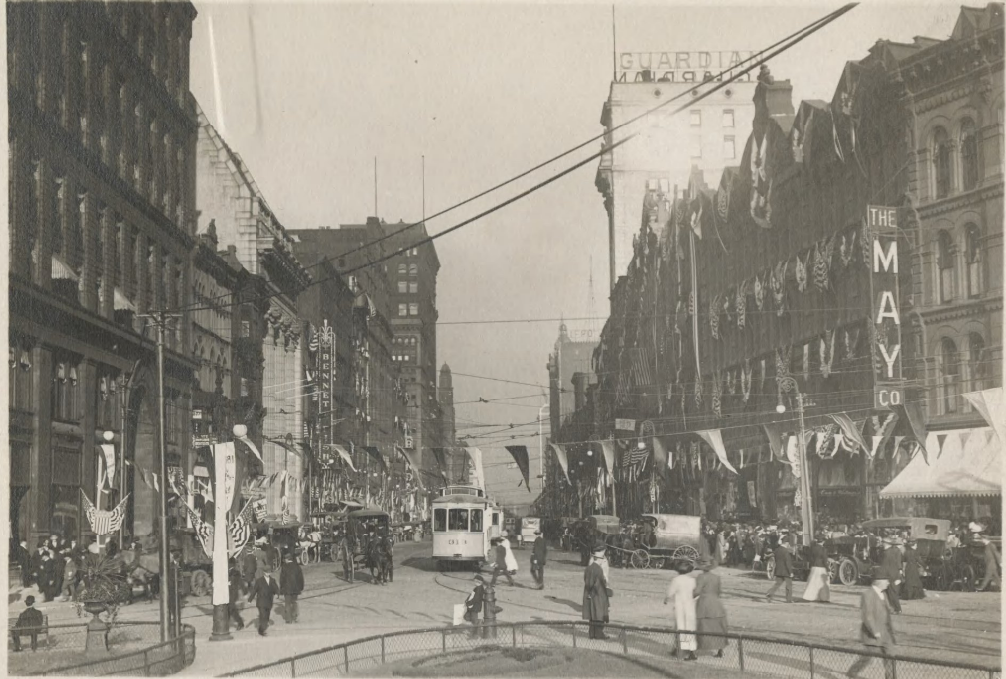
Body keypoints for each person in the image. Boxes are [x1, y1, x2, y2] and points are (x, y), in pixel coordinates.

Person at [846, 576, 896, 679]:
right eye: (886, 580)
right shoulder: (867, 594)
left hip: (886, 633)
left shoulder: (884, 594)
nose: (888, 583)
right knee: (867, 658)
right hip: (873, 634)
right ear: (879, 581)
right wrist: (874, 631)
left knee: (890, 658)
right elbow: (867, 616)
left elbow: (885, 611)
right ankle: (852, 672)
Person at [663, 562, 697, 661]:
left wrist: (666, 599)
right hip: (690, 607)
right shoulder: (692, 580)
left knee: (679, 628)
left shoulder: (676, 580)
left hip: (680, 607)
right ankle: (691, 652)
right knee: (690, 629)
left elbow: (670, 592)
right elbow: (696, 593)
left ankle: (679, 650)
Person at [695, 558, 728, 658]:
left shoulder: (701, 577)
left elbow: (697, 591)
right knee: (718, 626)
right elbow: (719, 592)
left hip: (704, 603)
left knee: (700, 625)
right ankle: (720, 650)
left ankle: (695, 649)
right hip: (716, 603)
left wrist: (689, 596)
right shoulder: (717, 577)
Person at [582, 543, 612, 639]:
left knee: (592, 614)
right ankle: (599, 634)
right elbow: (599, 584)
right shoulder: (599, 569)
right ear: (599, 559)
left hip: (589, 593)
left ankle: (592, 633)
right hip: (598, 594)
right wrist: (608, 591)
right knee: (600, 614)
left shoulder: (588, 568)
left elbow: (586, 580)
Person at [248, 568, 280, 636]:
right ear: (264, 572)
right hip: (261, 601)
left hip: (269, 601)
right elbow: (254, 590)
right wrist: (250, 599)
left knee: (267, 616)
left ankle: (263, 626)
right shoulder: (259, 581)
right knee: (263, 615)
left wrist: (278, 594)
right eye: (267, 572)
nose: (268, 573)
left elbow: (276, 588)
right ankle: (261, 630)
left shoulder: (272, 580)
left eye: (269, 572)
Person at [801, 536, 831, 603]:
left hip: (814, 567)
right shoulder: (823, 549)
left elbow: (809, 557)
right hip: (821, 568)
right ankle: (824, 598)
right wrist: (828, 569)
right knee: (823, 584)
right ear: (823, 541)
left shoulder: (812, 548)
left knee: (812, 582)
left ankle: (808, 597)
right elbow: (825, 561)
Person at [878, 538, 903, 614]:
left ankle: (897, 609)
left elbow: (884, 565)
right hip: (894, 574)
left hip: (890, 575)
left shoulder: (886, 553)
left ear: (886, 544)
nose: (882, 544)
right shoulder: (894, 551)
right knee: (891, 592)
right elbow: (898, 563)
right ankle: (894, 609)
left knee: (891, 593)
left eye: (883, 542)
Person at [279, 554, 305, 623]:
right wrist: (301, 587)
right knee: (294, 602)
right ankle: (295, 617)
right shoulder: (297, 567)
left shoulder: (284, 567)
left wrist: (281, 588)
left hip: (287, 588)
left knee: (287, 603)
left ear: (287, 559)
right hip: (295, 588)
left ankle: (288, 619)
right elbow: (300, 578)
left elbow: (282, 579)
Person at [463, 574, 486, 638]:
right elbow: (471, 595)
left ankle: (475, 634)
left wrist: (469, 603)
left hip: (474, 606)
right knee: (466, 617)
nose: (474, 582)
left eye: (475, 581)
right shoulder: (477, 587)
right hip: (471, 606)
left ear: (479, 582)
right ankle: (478, 622)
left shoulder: (479, 588)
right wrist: (467, 600)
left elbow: (476, 598)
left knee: (473, 619)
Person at [227, 562, 245, 630]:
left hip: (233, 593)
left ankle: (240, 623)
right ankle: (226, 623)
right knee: (228, 608)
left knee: (231, 608)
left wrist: (245, 592)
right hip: (227, 593)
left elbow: (240, 582)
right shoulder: (225, 571)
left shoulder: (235, 573)